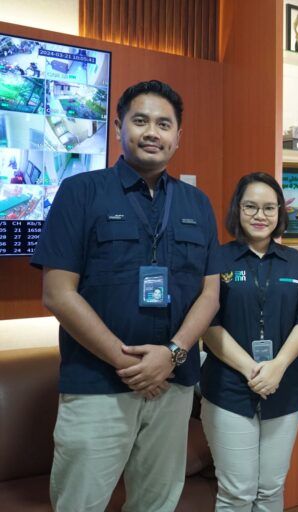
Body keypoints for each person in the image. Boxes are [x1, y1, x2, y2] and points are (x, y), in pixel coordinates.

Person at [30, 80, 221, 512]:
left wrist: (171, 355)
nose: (152, 132)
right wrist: (130, 364)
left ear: (178, 136)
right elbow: (58, 294)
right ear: (118, 127)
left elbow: (210, 294)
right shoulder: (80, 192)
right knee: (80, 503)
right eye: (140, 121)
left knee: (157, 503)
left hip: (173, 384)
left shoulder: (197, 204)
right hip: (97, 384)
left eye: (163, 124)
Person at [199, 172, 298, 511]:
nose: (260, 215)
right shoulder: (216, 260)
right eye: (250, 206)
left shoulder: (296, 262)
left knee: (270, 488)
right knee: (237, 492)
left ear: (280, 212)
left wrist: (277, 367)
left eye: (269, 207)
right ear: (237, 210)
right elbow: (208, 322)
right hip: (228, 389)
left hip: (284, 387)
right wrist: (252, 370)